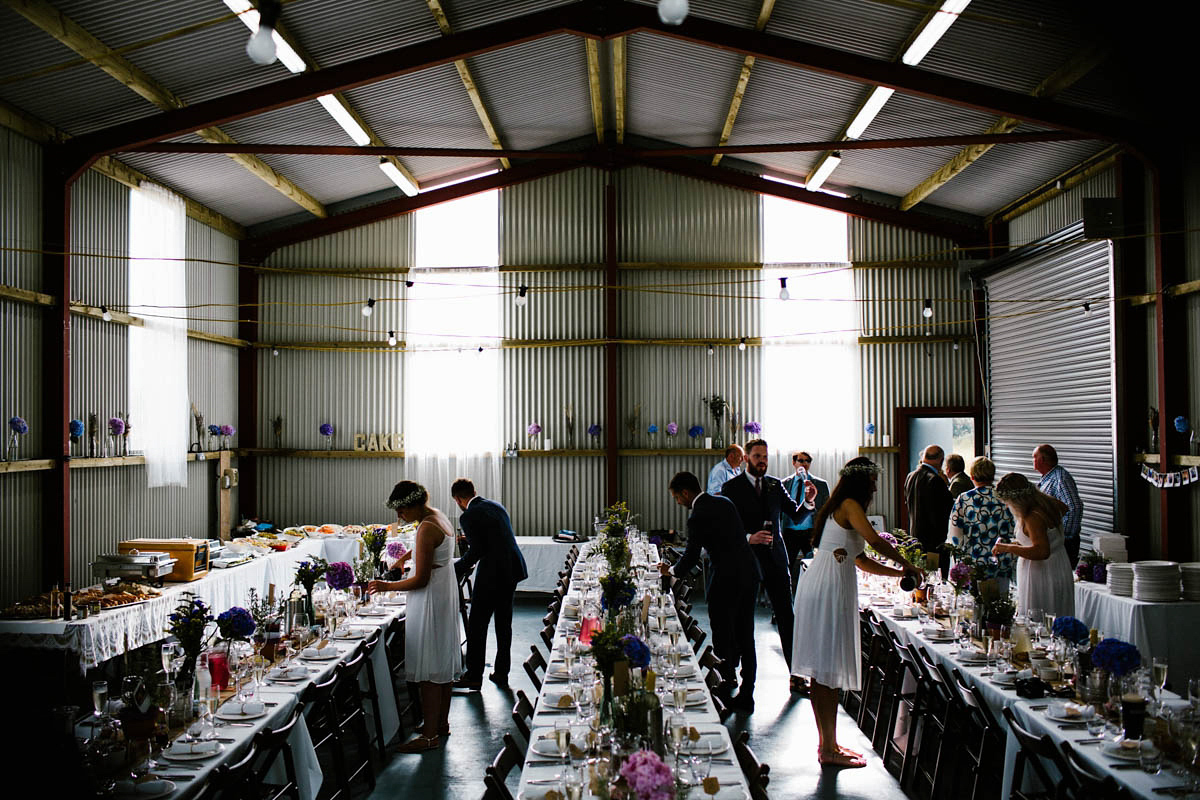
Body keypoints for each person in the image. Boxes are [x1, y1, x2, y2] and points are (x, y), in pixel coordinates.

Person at [791, 457, 922, 769]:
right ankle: (828, 747)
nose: (876, 487)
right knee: (827, 669)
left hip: (829, 578)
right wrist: (908, 564)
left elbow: (861, 559)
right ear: (862, 482)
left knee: (826, 670)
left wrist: (896, 573)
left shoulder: (840, 505)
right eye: (873, 481)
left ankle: (829, 743)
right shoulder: (850, 504)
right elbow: (875, 541)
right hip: (830, 585)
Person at [367, 480, 462, 752]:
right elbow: (427, 549)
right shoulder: (437, 516)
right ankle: (440, 724)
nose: (399, 516)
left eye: (401, 510)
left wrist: (387, 586)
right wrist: (404, 558)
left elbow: (420, 580)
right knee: (441, 663)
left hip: (430, 597)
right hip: (444, 592)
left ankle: (429, 736)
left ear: (414, 505)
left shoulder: (425, 528)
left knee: (430, 669)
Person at [721, 438, 816, 701]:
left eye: (765, 457)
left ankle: (796, 676)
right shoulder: (731, 488)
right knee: (743, 622)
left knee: (787, 617)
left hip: (775, 559)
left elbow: (795, 516)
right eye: (757, 456)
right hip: (746, 560)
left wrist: (808, 502)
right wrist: (748, 536)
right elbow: (726, 527)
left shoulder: (776, 485)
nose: (762, 461)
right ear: (746, 459)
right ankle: (746, 686)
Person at [659, 471, 760, 708]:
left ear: (685, 492)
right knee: (746, 633)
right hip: (749, 573)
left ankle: (726, 680)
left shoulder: (698, 515)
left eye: (677, 497)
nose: (678, 502)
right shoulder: (724, 501)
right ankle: (747, 692)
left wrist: (671, 571)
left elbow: (692, 555)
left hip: (726, 578)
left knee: (723, 630)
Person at [450, 479, 528, 692]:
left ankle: (474, 675)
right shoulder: (495, 505)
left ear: (458, 499)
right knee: (504, 624)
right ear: (474, 491)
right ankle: (502, 673)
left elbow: (477, 551)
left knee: (477, 625)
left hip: (493, 574)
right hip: (512, 569)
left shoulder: (468, 515)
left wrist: (455, 568)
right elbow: (494, 537)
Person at [992, 472, 1075, 618]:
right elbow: (1042, 536)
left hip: (1041, 574)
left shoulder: (1032, 516)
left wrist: (1008, 548)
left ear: (1017, 500)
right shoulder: (1048, 503)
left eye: (1007, 501)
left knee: (1039, 617)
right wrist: (1018, 543)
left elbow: (1042, 551)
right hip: (1058, 565)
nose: (1006, 504)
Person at [946, 457, 1016, 593]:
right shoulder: (1006, 498)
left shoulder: (965, 499)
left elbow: (955, 535)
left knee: (975, 604)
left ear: (972, 476)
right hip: (1002, 562)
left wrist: (957, 563)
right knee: (1000, 604)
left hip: (974, 562)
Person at [1032, 444, 1084, 567]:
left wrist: (1063, 535)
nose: (1032, 460)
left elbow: (1074, 507)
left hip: (1062, 544)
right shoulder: (1048, 478)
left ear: (1042, 460)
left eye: (1034, 457)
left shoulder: (1060, 479)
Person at [904, 445, 952, 573]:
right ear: (941, 461)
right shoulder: (936, 480)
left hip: (915, 539)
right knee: (934, 580)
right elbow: (946, 510)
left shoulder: (910, 476)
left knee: (921, 581)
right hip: (933, 544)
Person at [781, 451, 830, 572]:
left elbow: (826, 511)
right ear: (794, 462)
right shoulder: (784, 484)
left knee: (815, 567)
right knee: (786, 567)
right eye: (801, 461)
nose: (805, 464)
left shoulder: (820, 484)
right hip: (789, 533)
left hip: (810, 533)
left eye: (808, 461)